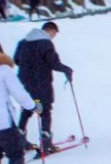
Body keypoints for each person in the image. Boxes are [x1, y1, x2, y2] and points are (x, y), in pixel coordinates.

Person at [14, 22, 73, 155]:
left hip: (25, 80)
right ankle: (45, 143)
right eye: (55, 33)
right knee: (45, 109)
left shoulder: (23, 42)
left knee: (28, 106)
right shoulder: (46, 43)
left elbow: (16, 60)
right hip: (41, 81)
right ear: (50, 30)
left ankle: (20, 137)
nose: (54, 36)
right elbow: (53, 63)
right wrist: (67, 69)